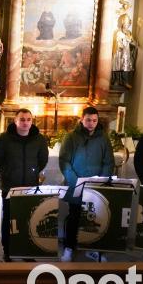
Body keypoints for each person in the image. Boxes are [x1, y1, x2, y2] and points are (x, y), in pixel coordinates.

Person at [0, 109, 49, 261]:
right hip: (10, 185)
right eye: (22, 119)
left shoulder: (39, 139)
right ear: (15, 121)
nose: (25, 122)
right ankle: (7, 250)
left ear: (32, 121)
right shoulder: (4, 138)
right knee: (9, 218)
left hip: (30, 185)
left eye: (28, 119)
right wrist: (6, 173)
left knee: (27, 218)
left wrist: (33, 172)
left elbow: (42, 160)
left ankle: (25, 250)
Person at [58, 106, 113, 261]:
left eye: (94, 120)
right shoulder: (71, 137)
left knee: (95, 218)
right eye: (88, 120)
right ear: (82, 119)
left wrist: (100, 182)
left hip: (96, 186)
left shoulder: (103, 138)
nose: (91, 123)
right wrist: (75, 181)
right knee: (74, 216)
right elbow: (64, 161)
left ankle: (94, 249)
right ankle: (69, 247)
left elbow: (109, 162)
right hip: (76, 184)